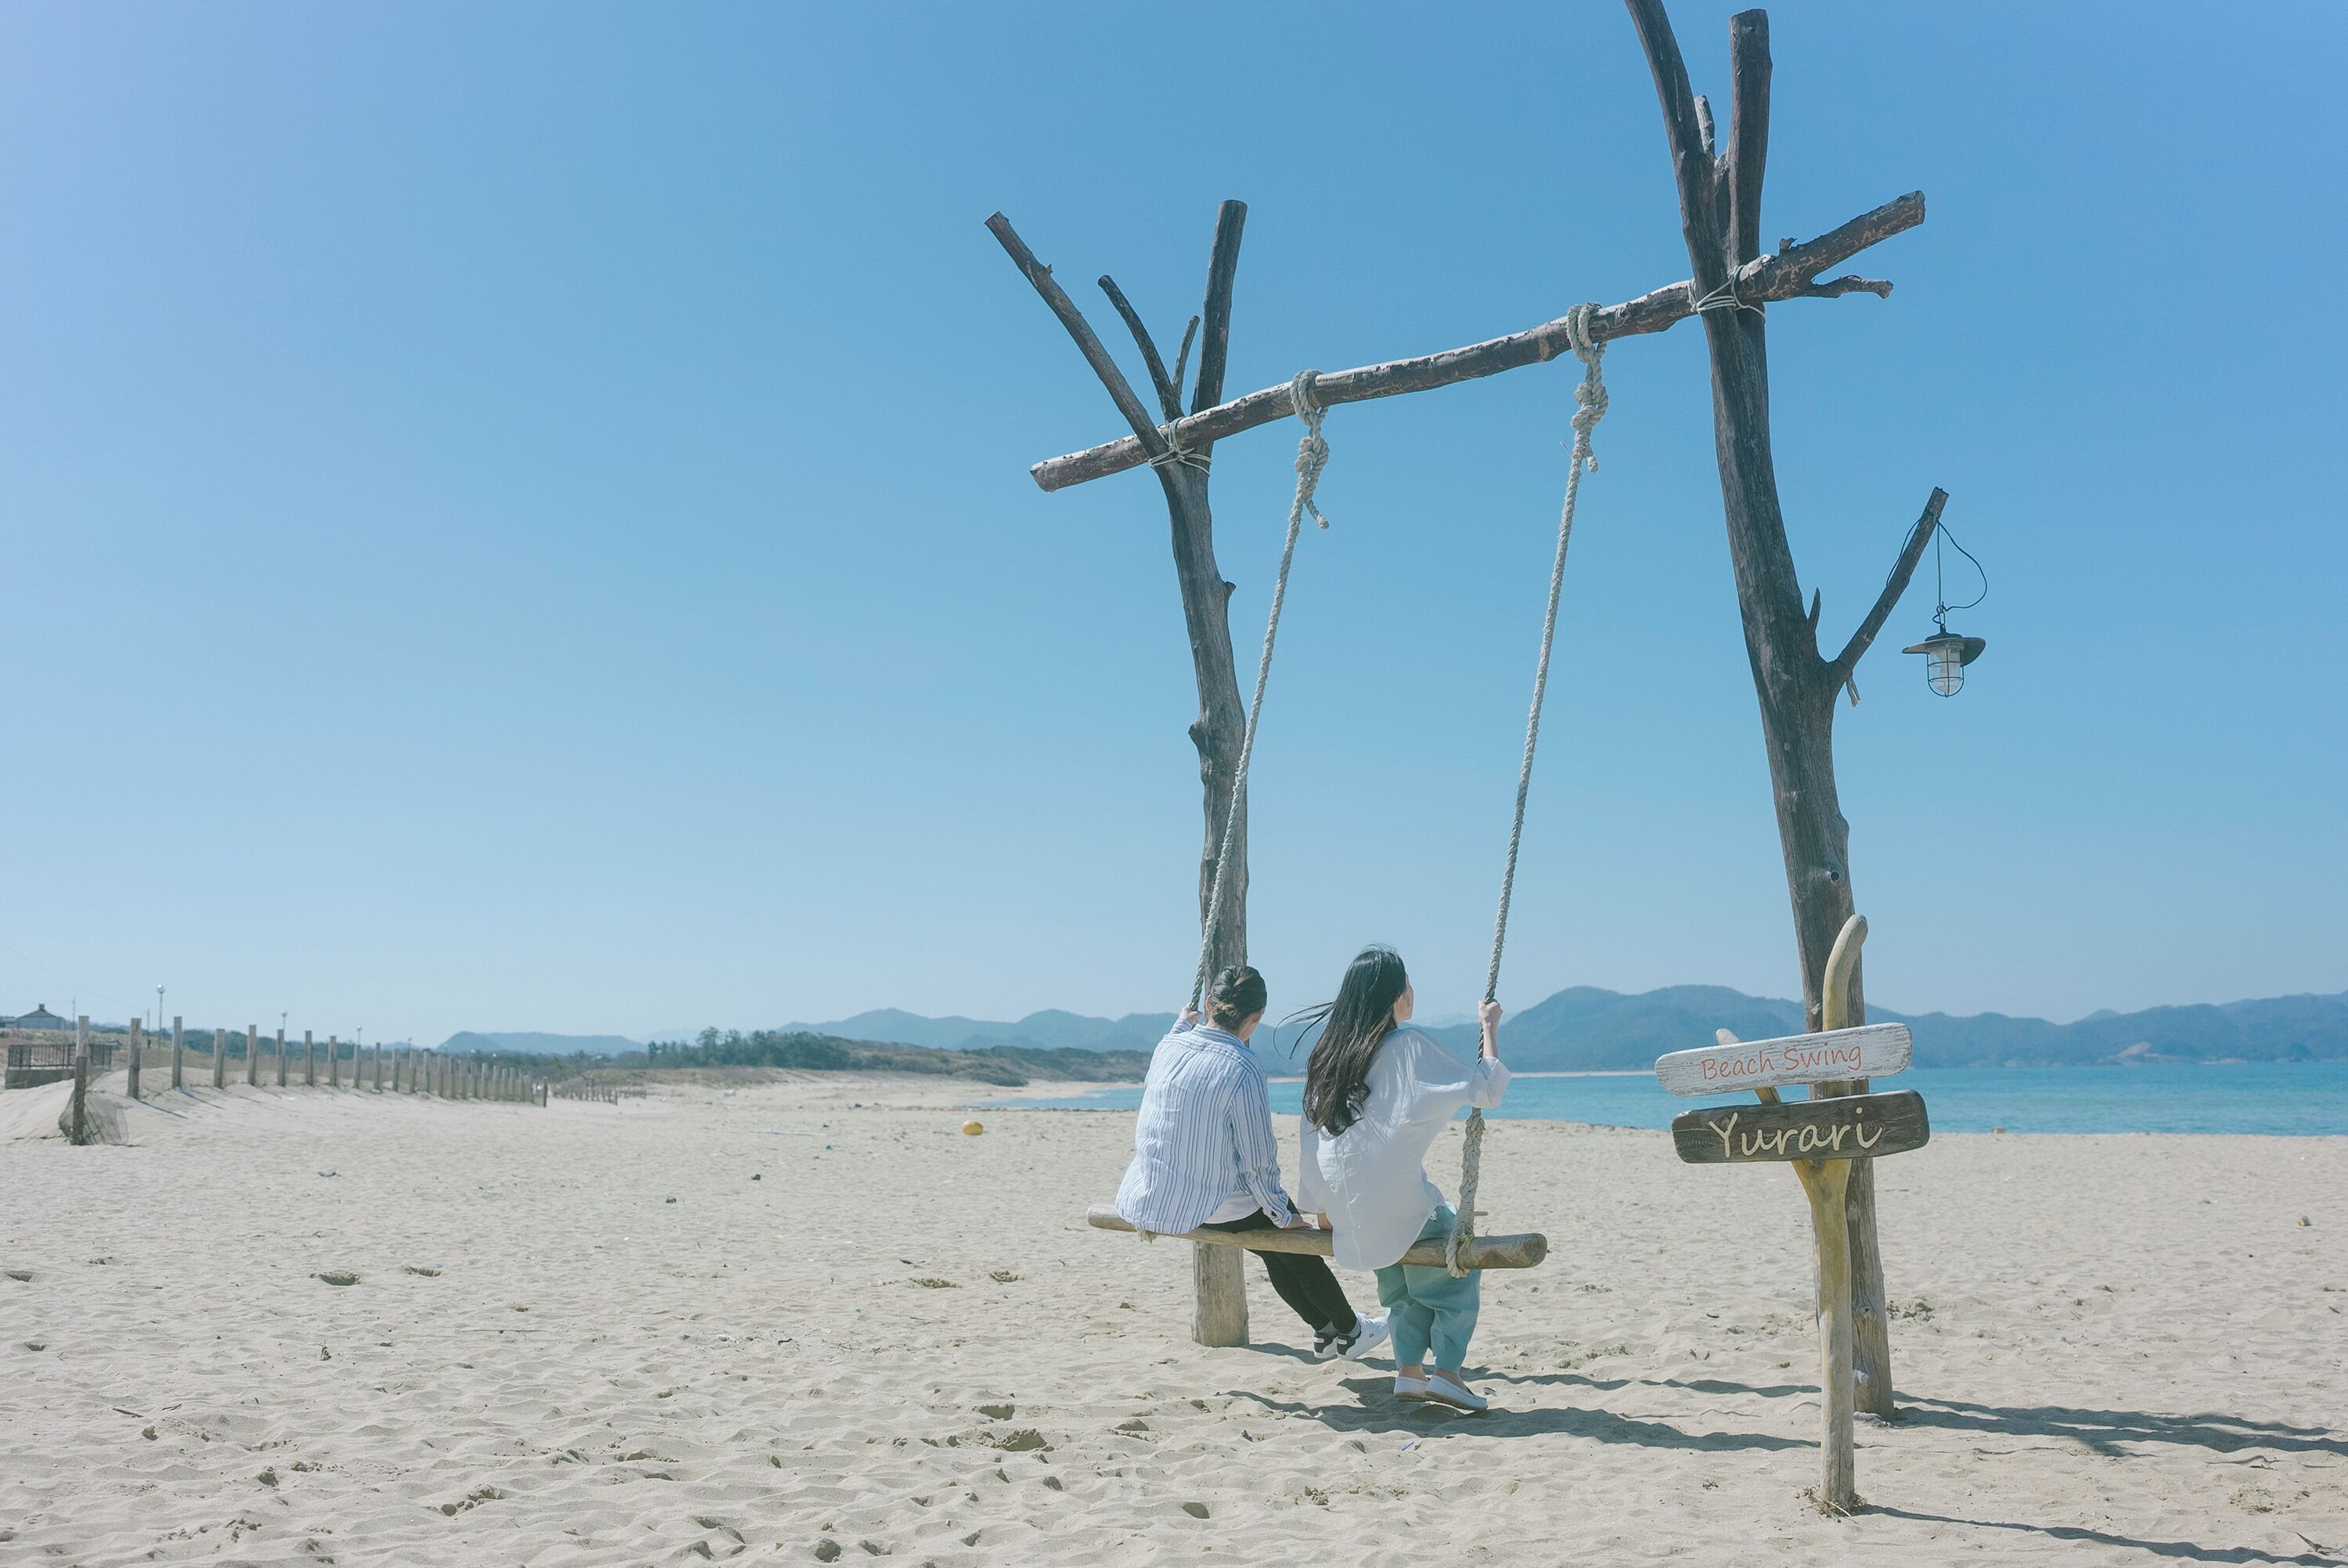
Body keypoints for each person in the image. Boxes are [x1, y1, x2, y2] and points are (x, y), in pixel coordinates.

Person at [1115, 964, 1388, 1359]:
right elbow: (1258, 1162)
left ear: (1209, 1004)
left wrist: (1182, 1021)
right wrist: (1284, 1213)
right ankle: (1348, 1329)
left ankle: (1328, 1331)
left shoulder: (1168, 1047)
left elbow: (1176, 1033)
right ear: (1256, 1018)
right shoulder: (1243, 1068)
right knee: (1288, 1241)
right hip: (1210, 1208)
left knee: (1272, 1246)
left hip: (1156, 1197)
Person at [1295, 946, 1508, 1412]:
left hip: (1348, 1214)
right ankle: (1448, 1373)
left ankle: (1409, 1371)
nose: (1413, 992)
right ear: (1395, 997)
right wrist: (1489, 1029)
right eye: (1407, 984)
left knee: (1398, 1281)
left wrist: (1323, 1211)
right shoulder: (1407, 1047)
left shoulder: (1326, 1058)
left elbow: (1311, 1143)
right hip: (1388, 1209)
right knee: (1453, 1267)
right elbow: (1487, 1090)